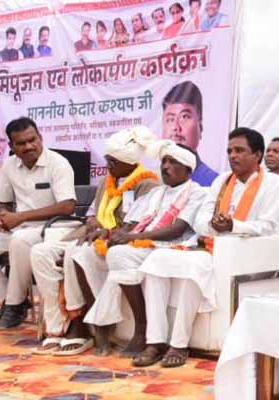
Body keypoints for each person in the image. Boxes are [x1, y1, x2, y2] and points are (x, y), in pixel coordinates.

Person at [134, 128, 279, 368]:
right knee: (156, 260)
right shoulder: (221, 181)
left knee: (196, 266)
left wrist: (233, 226)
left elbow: (267, 226)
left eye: (239, 150)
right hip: (210, 243)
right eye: (230, 151)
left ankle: (179, 344)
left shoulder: (273, 183)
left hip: (245, 250)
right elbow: (201, 220)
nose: (233, 156)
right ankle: (156, 341)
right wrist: (215, 225)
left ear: (257, 155)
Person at [29, 127, 160, 355]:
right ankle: (56, 326)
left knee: (75, 253)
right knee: (40, 252)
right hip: (89, 234)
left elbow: (138, 225)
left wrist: (106, 231)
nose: (108, 166)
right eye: (107, 160)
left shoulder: (147, 184)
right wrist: (91, 221)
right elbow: (93, 213)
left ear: (129, 162)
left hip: (119, 241)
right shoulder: (107, 181)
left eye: (113, 161)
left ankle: (80, 324)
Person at [81, 141, 207, 358]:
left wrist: (132, 237)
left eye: (173, 162)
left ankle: (137, 327)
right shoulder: (156, 193)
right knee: (90, 252)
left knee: (119, 255)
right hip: (144, 244)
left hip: (171, 247)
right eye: (164, 161)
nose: (165, 167)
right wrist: (110, 234)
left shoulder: (197, 193)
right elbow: (132, 224)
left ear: (188, 169)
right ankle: (104, 324)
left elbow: (177, 229)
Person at [0, 118, 76, 329]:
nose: (28, 146)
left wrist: (20, 217)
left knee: (20, 239)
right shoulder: (9, 165)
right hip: (19, 229)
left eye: (32, 140)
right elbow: (3, 202)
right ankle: (12, 301)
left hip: (51, 229)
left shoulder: (58, 163)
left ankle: (13, 303)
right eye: (21, 143)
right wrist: (3, 216)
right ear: (12, 146)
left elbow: (67, 206)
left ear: (40, 138)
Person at [162, 81, 217, 186]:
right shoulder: (159, 184)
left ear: (200, 126)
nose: (176, 127)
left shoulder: (214, 183)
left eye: (185, 117)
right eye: (170, 119)